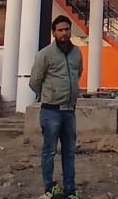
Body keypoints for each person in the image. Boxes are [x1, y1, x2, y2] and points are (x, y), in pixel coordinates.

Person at [29, 15, 84, 199]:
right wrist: (48, 95)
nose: (64, 33)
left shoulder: (76, 53)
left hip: (69, 111)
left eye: (67, 29)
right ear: (54, 33)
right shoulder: (45, 54)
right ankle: (49, 188)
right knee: (49, 152)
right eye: (60, 30)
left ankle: (70, 189)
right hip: (51, 111)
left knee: (69, 152)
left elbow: (77, 74)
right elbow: (35, 81)